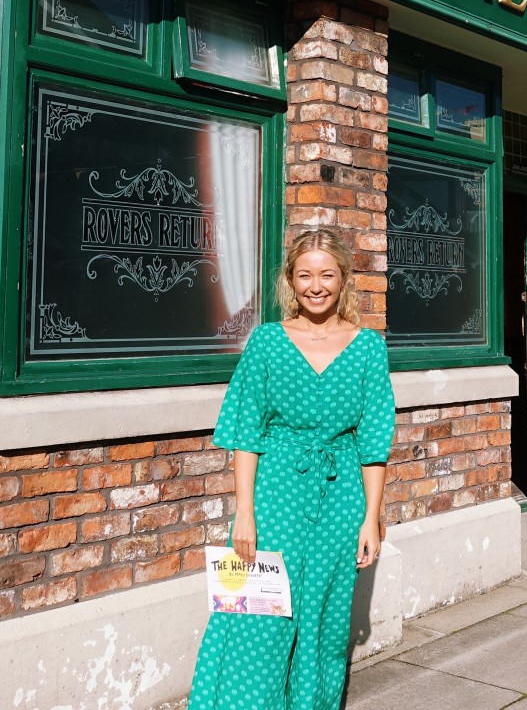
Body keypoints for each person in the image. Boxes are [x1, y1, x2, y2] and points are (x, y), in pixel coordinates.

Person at [188, 228, 396, 710]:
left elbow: (374, 442)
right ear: (290, 280)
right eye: (305, 275)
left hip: (340, 498)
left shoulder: (368, 348)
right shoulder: (266, 342)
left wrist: (371, 517)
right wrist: (244, 513)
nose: (316, 286)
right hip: (275, 493)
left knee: (321, 621)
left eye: (327, 275)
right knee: (257, 619)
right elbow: (245, 431)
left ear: (344, 279)